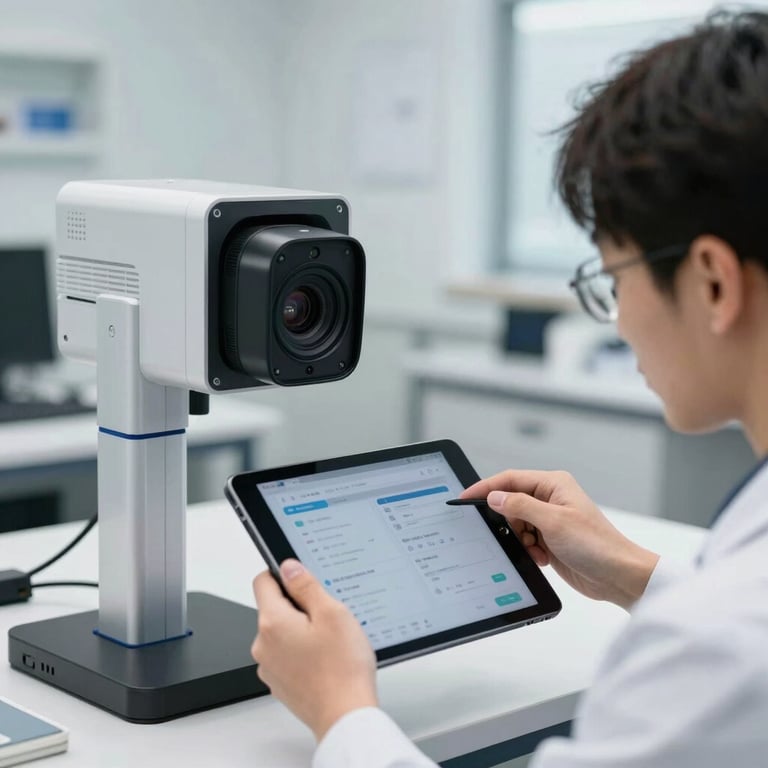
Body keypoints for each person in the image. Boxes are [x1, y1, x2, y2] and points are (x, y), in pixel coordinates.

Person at [250, 9, 768, 767]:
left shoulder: (718, 649)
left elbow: (730, 636)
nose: (619, 322)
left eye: (613, 278)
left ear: (713, 282)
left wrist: (340, 710)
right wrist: (628, 570)